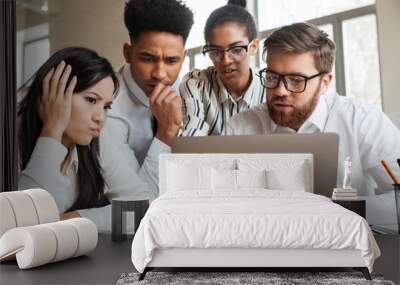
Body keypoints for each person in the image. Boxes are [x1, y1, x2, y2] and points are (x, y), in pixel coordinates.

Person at [226, 22, 400, 225]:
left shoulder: (363, 120)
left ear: (325, 82)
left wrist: (337, 211)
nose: (281, 91)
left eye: (296, 79)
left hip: (347, 246)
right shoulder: (240, 127)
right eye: (273, 77)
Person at [18, 47, 151, 232]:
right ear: (52, 95)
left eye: (106, 107)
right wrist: (52, 129)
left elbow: (143, 208)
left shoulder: (96, 141)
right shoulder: (11, 143)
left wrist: (76, 219)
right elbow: (22, 226)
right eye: (91, 100)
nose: (100, 118)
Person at [100, 0, 194, 196]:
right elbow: (135, 202)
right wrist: (166, 134)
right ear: (128, 53)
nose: (160, 74)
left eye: (171, 61)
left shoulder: (192, 92)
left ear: (183, 58)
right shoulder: (105, 109)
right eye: (148, 58)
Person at [179, 0, 265, 137]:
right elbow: (192, 138)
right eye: (215, 51)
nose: (226, 61)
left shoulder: (270, 86)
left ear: (253, 47)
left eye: (236, 50)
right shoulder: (196, 83)